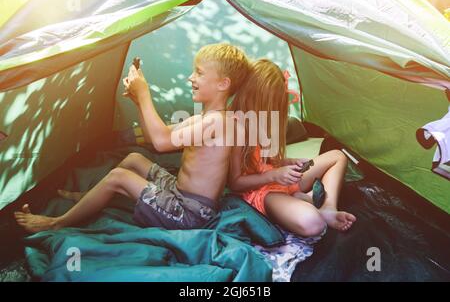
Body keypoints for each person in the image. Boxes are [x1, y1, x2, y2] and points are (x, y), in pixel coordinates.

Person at [15, 43, 251, 233]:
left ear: (223, 83)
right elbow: (155, 136)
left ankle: (57, 223)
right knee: (135, 158)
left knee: (119, 177)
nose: (191, 77)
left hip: (189, 213)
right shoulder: (207, 117)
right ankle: (88, 198)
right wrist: (139, 101)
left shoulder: (217, 122)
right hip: (179, 192)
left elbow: (161, 143)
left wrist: (145, 93)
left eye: (199, 73)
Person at [228, 59, 356, 237]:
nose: (270, 110)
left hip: (280, 180)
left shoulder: (265, 122)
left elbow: (265, 161)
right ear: (249, 96)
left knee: (336, 156)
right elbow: (235, 182)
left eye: (275, 106)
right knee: (313, 224)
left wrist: (289, 162)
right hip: (262, 192)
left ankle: (327, 207)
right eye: (266, 104)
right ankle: (303, 201)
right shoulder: (235, 127)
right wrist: (274, 175)